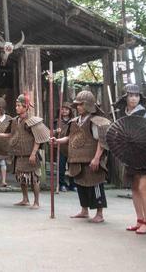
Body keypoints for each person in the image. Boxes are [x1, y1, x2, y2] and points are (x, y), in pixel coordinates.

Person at [52, 90, 108, 223]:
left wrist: (97, 158)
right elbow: (70, 138)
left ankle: (99, 213)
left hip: (91, 159)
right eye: (77, 105)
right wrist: (57, 141)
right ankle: (84, 210)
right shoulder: (75, 121)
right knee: (81, 185)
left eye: (81, 104)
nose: (78, 107)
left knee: (95, 185)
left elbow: (101, 140)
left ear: (88, 105)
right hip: (77, 158)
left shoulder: (95, 121)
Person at [0, 94, 47, 209]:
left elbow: (38, 138)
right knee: (21, 178)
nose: (16, 107)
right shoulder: (14, 121)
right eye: (16, 105)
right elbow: (10, 134)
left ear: (25, 107)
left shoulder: (31, 121)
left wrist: (33, 153)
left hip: (30, 154)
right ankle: (25, 199)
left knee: (34, 179)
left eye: (19, 105)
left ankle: (36, 202)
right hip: (19, 154)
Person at [114, 84, 146, 235]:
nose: (134, 98)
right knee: (134, 188)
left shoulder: (145, 114)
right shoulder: (122, 114)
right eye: (131, 95)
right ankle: (139, 220)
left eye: (137, 95)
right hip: (132, 156)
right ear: (125, 97)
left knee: (143, 188)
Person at [55, 101, 76, 192]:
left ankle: (73, 185)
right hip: (61, 147)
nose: (64, 111)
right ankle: (62, 184)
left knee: (73, 167)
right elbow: (49, 132)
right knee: (61, 167)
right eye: (62, 109)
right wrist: (56, 131)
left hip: (72, 147)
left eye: (66, 109)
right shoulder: (56, 121)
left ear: (70, 111)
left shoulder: (75, 121)